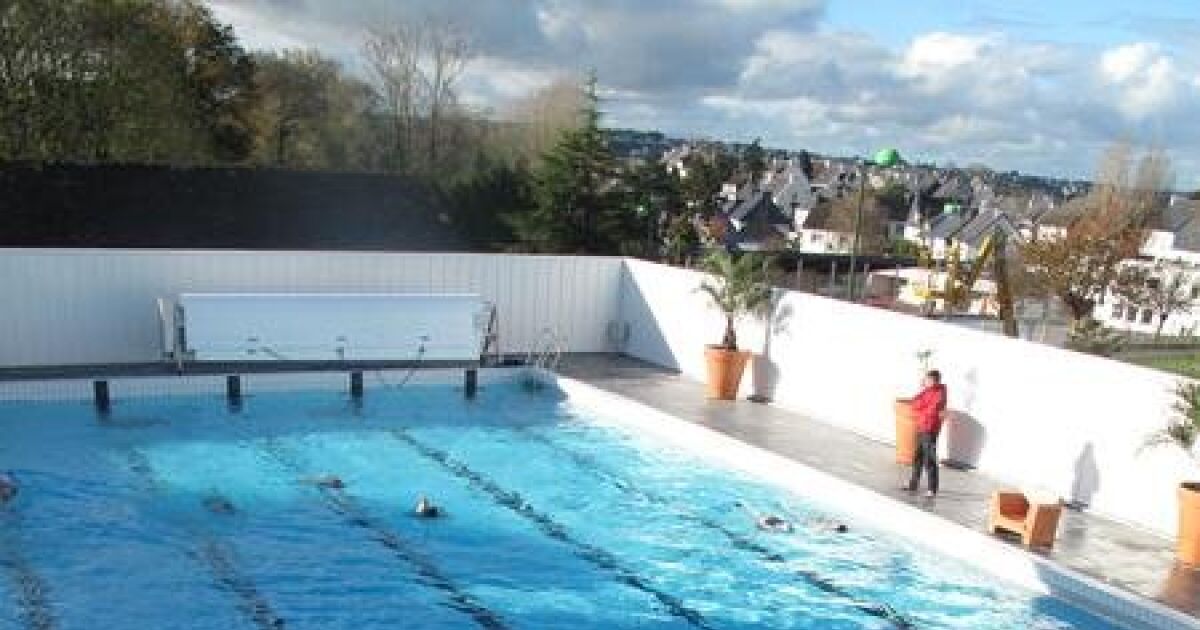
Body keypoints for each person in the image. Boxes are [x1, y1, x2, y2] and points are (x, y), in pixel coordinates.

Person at [903, 369, 948, 498]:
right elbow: (914, 402)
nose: (926, 381)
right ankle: (913, 483)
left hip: (930, 429)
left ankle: (932, 489)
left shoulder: (940, 393)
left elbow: (932, 410)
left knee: (930, 459)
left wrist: (921, 408)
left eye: (929, 380)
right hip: (921, 427)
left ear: (936, 381)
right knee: (918, 457)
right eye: (926, 379)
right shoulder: (927, 390)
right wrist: (921, 403)